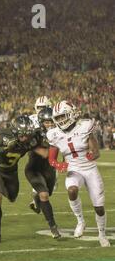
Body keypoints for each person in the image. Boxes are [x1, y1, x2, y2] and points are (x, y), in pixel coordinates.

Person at [47, 101, 110, 247]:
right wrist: (59, 165)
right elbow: (51, 159)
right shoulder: (54, 134)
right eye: (58, 118)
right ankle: (80, 221)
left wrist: (92, 155)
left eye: (63, 116)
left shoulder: (84, 126)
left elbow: (96, 152)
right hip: (73, 168)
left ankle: (102, 234)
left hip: (89, 168)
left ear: (71, 113)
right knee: (72, 190)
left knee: (99, 207)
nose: (61, 120)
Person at [0, 115, 46, 244]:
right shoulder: (4, 135)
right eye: (22, 134)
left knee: (12, 197)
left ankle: (6, 190)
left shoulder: (29, 140)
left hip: (11, 172)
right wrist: (5, 148)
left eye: (27, 134)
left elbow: (44, 152)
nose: (25, 137)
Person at [24, 107, 60, 238]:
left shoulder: (59, 132)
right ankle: (53, 227)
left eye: (52, 121)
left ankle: (36, 200)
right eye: (46, 122)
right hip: (34, 169)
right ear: (41, 122)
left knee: (46, 194)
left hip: (49, 170)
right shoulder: (35, 134)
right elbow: (45, 153)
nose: (50, 124)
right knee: (44, 195)